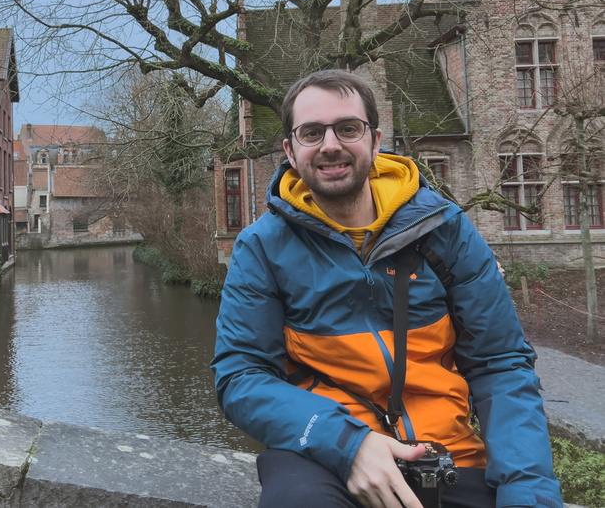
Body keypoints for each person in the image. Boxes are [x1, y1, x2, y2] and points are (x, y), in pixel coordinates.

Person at [212, 70, 562, 508]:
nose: (331, 144)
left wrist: (527, 491)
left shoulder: (446, 230)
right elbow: (241, 377)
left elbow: (501, 364)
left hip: (448, 455)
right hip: (324, 457)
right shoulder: (262, 248)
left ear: (375, 141)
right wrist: (347, 442)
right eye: (311, 132)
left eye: (348, 128)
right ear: (290, 150)